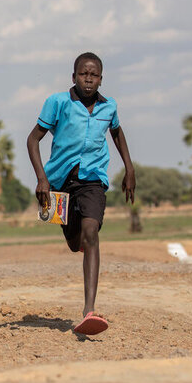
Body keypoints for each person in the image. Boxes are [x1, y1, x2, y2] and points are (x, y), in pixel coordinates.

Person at [26, 51, 135, 336]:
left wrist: (129, 168)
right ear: (73, 77)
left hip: (93, 180)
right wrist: (42, 179)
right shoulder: (58, 103)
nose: (89, 79)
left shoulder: (109, 107)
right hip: (60, 183)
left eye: (94, 75)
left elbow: (117, 134)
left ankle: (89, 310)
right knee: (76, 243)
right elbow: (33, 139)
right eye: (83, 74)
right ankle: (84, 243)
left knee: (91, 231)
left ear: (101, 79)